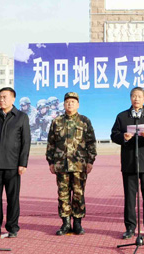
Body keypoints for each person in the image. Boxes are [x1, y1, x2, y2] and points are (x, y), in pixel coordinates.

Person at [111, 86, 144, 240]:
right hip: (129, 162)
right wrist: (123, 137)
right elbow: (114, 134)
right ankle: (130, 227)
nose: (136, 99)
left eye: (139, 96)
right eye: (134, 96)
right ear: (130, 98)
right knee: (129, 197)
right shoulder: (122, 117)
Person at [0, 87, 32, 238]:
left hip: (13, 165)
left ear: (13, 99)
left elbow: (26, 141)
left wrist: (23, 163)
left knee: (12, 198)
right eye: (0, 97)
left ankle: (12, 227)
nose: (1, 99)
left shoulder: (21, 117)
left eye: (5, 97)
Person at [46, 92, 97, 236]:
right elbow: (51, 143)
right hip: (61, 165)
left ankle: (78, 223)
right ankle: (65, 223)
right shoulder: (57, 121)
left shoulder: (84, 121)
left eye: (73, 102)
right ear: (64, 104)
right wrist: (50, 161)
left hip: (79, 165)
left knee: (78, 195)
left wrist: (90, 161)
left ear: (78, 105)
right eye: (67, 102)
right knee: (63, 195)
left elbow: (91, 142)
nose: (70, 104)